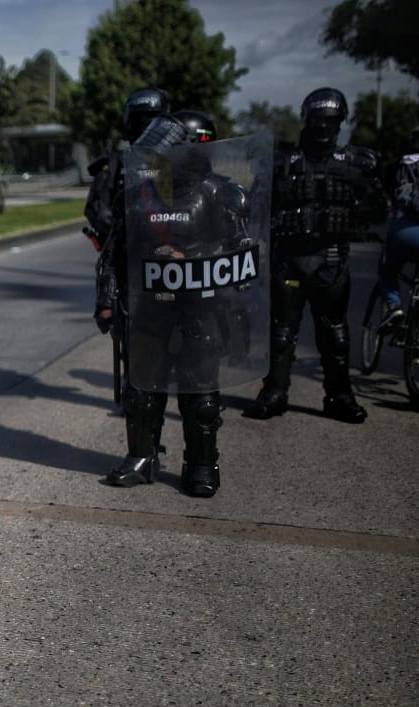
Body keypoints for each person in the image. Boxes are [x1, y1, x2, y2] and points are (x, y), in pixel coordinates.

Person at [96, 112, 256, 497]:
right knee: (141, 390)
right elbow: (115, 254)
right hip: (150, 309)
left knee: (200, 392)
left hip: (201, 309)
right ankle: (141, 458)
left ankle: (202, 464)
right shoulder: (138, 197)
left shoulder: (222, 193)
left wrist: (193, 255)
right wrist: (107, 301)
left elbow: (243, 253)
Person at [244, 86, 387, 423]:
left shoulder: (356, 162)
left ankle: (339, 396)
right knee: (281, 333)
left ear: (339, 122)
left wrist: (360, 192)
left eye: (330, 120)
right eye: (318, 119)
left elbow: (378, 211)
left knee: (335, 335)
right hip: (289, 259)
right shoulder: (281, 163)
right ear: (306, 119)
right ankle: (275, 392)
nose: (323, 126)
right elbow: (255, 206)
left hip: (330, 260)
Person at [84, 88, 170, 250]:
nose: (146, 126)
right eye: (141, 121)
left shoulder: (178, 161)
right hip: (128, 253)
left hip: (173, 250)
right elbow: (98, 210)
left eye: (152, 120)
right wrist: (120, 231)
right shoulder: (115, 165)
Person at [373, 127, 419, 332]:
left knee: (386, 269)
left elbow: (402, 195)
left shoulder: (409, 161)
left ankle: (394, 305)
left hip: (409, 231)